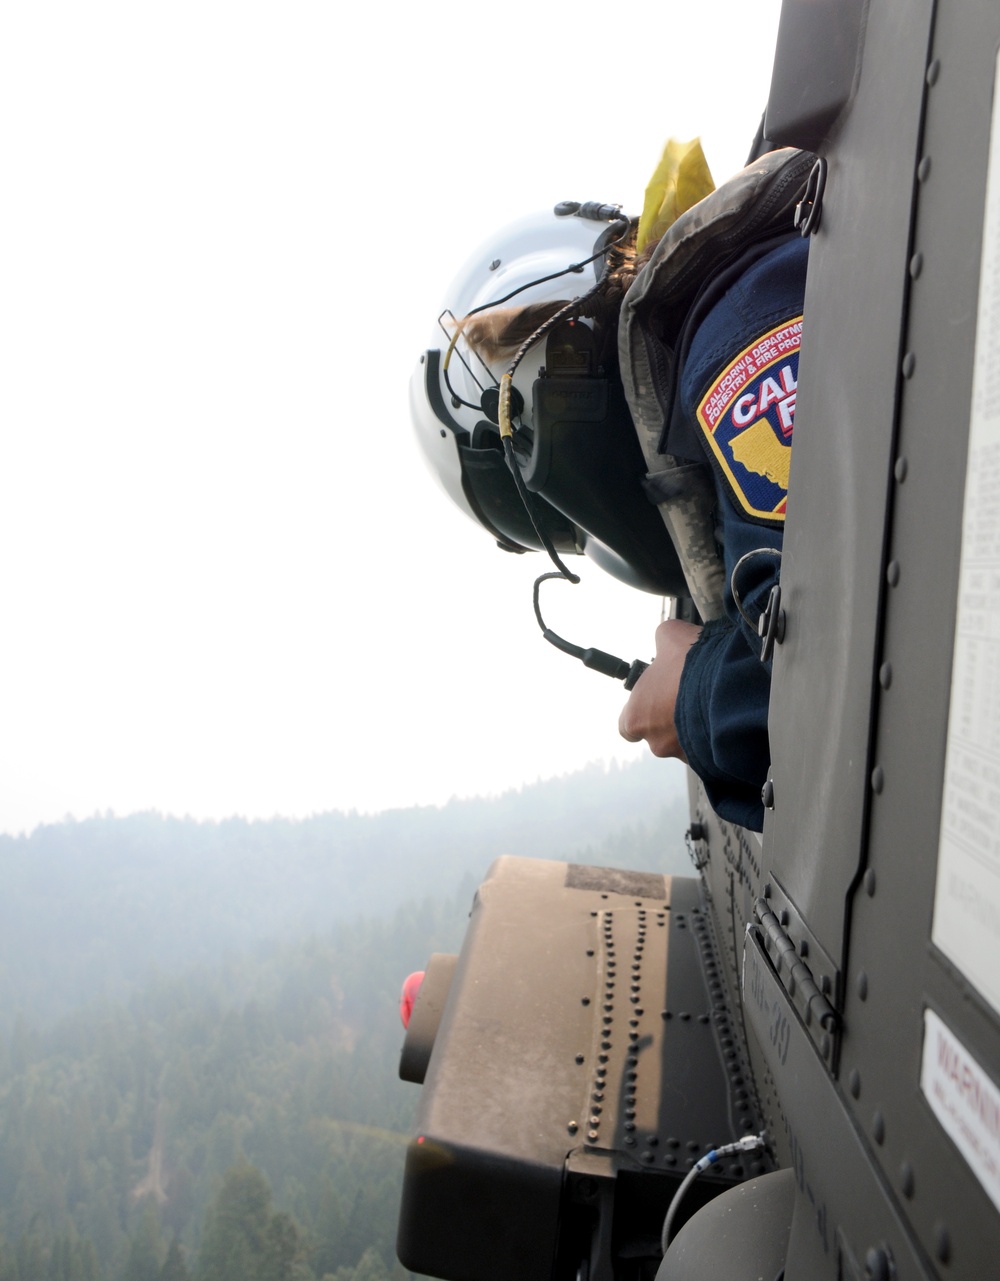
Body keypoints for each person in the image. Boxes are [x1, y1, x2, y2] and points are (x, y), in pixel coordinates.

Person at [409, 144, 813, 832]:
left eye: (571, 520)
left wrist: (693, 695)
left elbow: (839, 658)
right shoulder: (737, 321)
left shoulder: (737, 345)